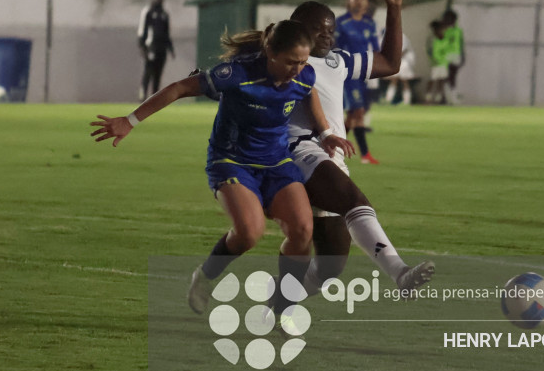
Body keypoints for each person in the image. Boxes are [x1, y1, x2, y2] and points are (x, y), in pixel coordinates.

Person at [90, 20, 354, 319]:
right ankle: (205, 276)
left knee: (303, 230)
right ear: (270, 53)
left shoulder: (304, 74)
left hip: (277, 163)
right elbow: (179, 88)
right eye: (291, 61)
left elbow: (308, 91)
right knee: (249, 233)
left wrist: (325, 132)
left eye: (303, 61)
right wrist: (130, 120)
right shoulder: (237, 73)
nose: (298, 68)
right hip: (232, 161)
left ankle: (282, 307)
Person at [276, 0, 434, 306]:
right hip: (298, 152)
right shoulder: (282, 58)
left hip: (329, 157)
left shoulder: (338, 61)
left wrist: (394, 7)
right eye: (321, 31)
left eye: (331, 31)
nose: (329, 37)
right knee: (355, 202)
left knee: (331, 264)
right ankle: (400, 273)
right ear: (300, 30)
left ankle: (276, 307)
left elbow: (390, 63)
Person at [335, 0, 381, 164]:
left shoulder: (370, 24)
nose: (360, 0)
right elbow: (333, 47)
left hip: (364, 73)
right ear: (349, 1)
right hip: (348, 73)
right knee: (358, 111)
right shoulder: (342, 22)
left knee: (353, 116)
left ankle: (335, 150)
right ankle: (365, 155)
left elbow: (375, 48)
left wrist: (378, 69)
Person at [137, 0, 175, 101]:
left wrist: (170, 48)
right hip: (151, 47)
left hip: (161, 48)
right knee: (149, 71)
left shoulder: (165, 14)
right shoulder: (148, 12)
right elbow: (142, 30)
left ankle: (154, 98)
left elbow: (167, 33)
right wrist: (142, 46)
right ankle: (143, 94)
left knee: (158, 74)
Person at [384, 32, 415, 105]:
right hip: (398, 62)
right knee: (394, 80)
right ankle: (388, 99)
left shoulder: (402, 37)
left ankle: (406, 101)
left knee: (404, 81)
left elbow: (403, 51)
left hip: (404, 62)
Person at [442, 9, 465, 105]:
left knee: (452, 77)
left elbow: (461, 43)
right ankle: (447, 98)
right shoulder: (444, 30)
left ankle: (452, 97)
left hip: (455, 55)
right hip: (445, 55)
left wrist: (463, 56)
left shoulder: (458, 30)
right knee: (445, 78)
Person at [425, 19, 450, 104]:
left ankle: (438, 98)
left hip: (443, 63)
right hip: (435, 63)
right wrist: (433, 59)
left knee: (441, 80)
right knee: (433, 79)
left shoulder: (444, 38)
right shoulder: (432, 39)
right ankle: (428, 96)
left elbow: (446, 50)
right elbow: (430, 51)